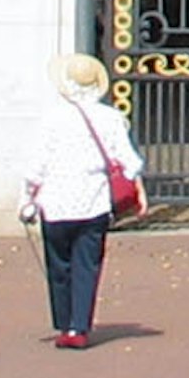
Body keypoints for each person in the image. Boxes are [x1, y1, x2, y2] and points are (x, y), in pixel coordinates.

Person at [19, 52, 144, 348]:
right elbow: (130, 162)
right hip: (94, 201)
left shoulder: (52, 118)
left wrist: (26, 196)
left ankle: (65, 323)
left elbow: (36, 164)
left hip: (56, 201)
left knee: (59, 265)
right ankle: (80, 326)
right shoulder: (111, 118)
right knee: (87, 265)